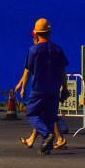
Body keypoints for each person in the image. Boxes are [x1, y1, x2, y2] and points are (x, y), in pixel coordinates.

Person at [15, 18, 69, 154]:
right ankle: (47, 149)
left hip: (39, 90)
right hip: (54, 90)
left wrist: (23, 87)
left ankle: (47, 135)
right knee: (49, 118)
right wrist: (65, 88)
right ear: (49, 33)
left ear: (36, 34)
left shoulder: (33, 51)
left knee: (32, 113)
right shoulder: (58, 50)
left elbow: (28, 71)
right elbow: (63, 71)